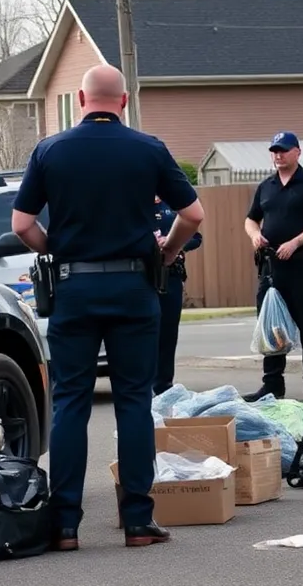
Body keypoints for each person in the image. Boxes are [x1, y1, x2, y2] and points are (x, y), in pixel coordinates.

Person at [11, 65, 204, 551]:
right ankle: (138, 520)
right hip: (134, 288)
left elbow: (21, 224)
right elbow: (192, 214)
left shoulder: (50, 150)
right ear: (123, 101)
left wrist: (55, 248)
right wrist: (168, 251)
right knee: (134, 401)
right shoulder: (148, 148)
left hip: (74, 290)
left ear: (80, 99)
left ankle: (65, 523)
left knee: (70, 402)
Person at [242, 131, 303, 403]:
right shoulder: (266, 186)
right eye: (274, 151)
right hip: (271, 268)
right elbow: (251, 220)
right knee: (270, 325)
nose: (278, 155)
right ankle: (272, 385)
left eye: (283, 150)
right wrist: (255, 235)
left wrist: (296, 242)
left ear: (297, 152)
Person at [153, 196, 203, 396]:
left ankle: (164, 385)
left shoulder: (172, 206)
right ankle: (145, 384)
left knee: (168, 332)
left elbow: (196, 238)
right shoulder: (135, 202)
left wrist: (176, 243)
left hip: (171, 274)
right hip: (144, 276)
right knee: (146, 332)